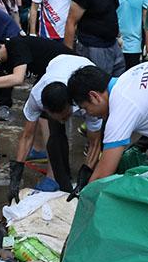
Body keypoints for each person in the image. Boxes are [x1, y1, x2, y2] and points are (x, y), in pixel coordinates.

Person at [7, 55, 102, 199]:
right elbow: (27, 136)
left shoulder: (85, 97)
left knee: (102, 135)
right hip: (56, 63)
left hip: (84, 68)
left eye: (66, 116)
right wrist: (17, 173)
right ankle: (62, 183)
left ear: (72, 104)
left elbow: (95, 143)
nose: (64, 120)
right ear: (46, 110)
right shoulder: (36, 98)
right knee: (55, 137)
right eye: (60, 117)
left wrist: (86, 174)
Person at [0, 32, 77, 125]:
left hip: (70, 68)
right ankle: (40, 147)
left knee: (40, 111)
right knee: (40, 114)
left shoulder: (16, 45)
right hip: (49, 73)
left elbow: (18, 78)